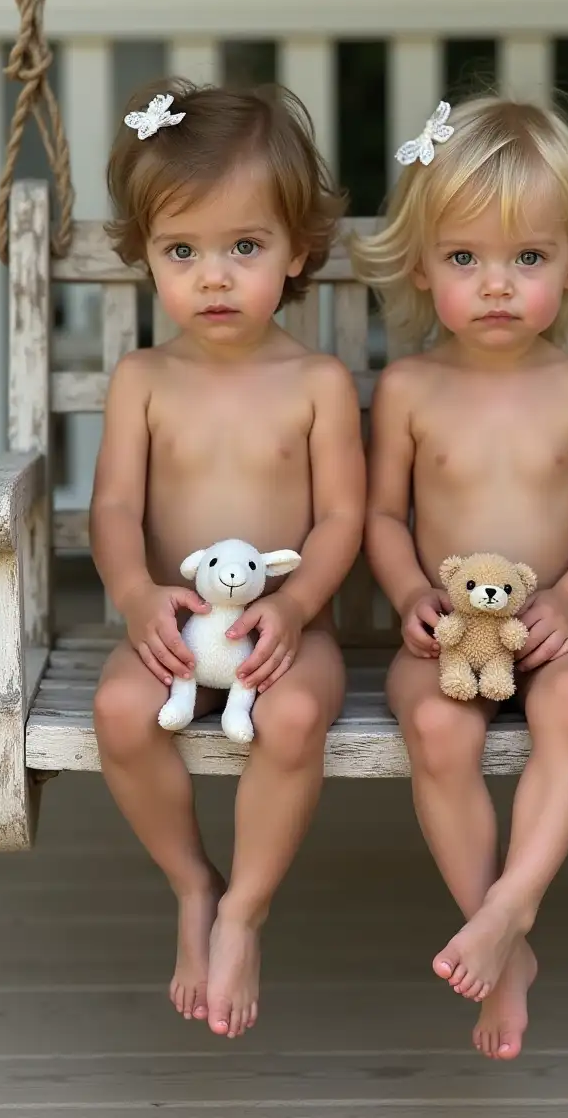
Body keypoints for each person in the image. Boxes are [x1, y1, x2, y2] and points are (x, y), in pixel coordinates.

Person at [354, 95, 568, 1060]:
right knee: (434, 723)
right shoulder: (410, 389)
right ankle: (501, 943)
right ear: (424, 264)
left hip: (555, 631)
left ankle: (511, 907)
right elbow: (384, 517)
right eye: (466, 258)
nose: (497, 286)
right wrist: (407, 598)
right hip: (445, 637)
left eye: (529, 259)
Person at [90, 79, 365, 1040]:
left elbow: (341, 518)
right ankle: (193, 885)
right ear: (148, 258)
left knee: (291, 722)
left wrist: (291, 613)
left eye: (243, 247)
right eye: (183, 251)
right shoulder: (144, 379)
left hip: (284, 635)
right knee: (120, 712)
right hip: (175, 631)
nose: (214, 276)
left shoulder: (316, 382)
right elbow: (116, 506)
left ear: (296, 252)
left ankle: (245, 910)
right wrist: (133, 594)